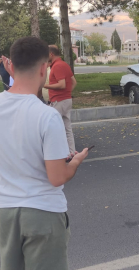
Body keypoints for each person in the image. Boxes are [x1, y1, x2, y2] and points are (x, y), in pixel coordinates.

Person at [0, 36, 88, 270]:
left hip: (3, 212)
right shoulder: (47, 116)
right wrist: (75, 162)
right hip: (42, 212)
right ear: (43, 69)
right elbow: (57, 177)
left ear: (11, 66)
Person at [44, 45, 77, 153]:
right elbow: (74, 82)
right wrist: (67, 94)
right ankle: (71, 152)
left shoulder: (57, 66)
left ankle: (56, 153)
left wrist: (44, 85)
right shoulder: (64, 64)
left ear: (51, 54)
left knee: (52, 128)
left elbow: (61, 84)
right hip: (66, 100)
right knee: (67, 128)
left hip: (59, 101)